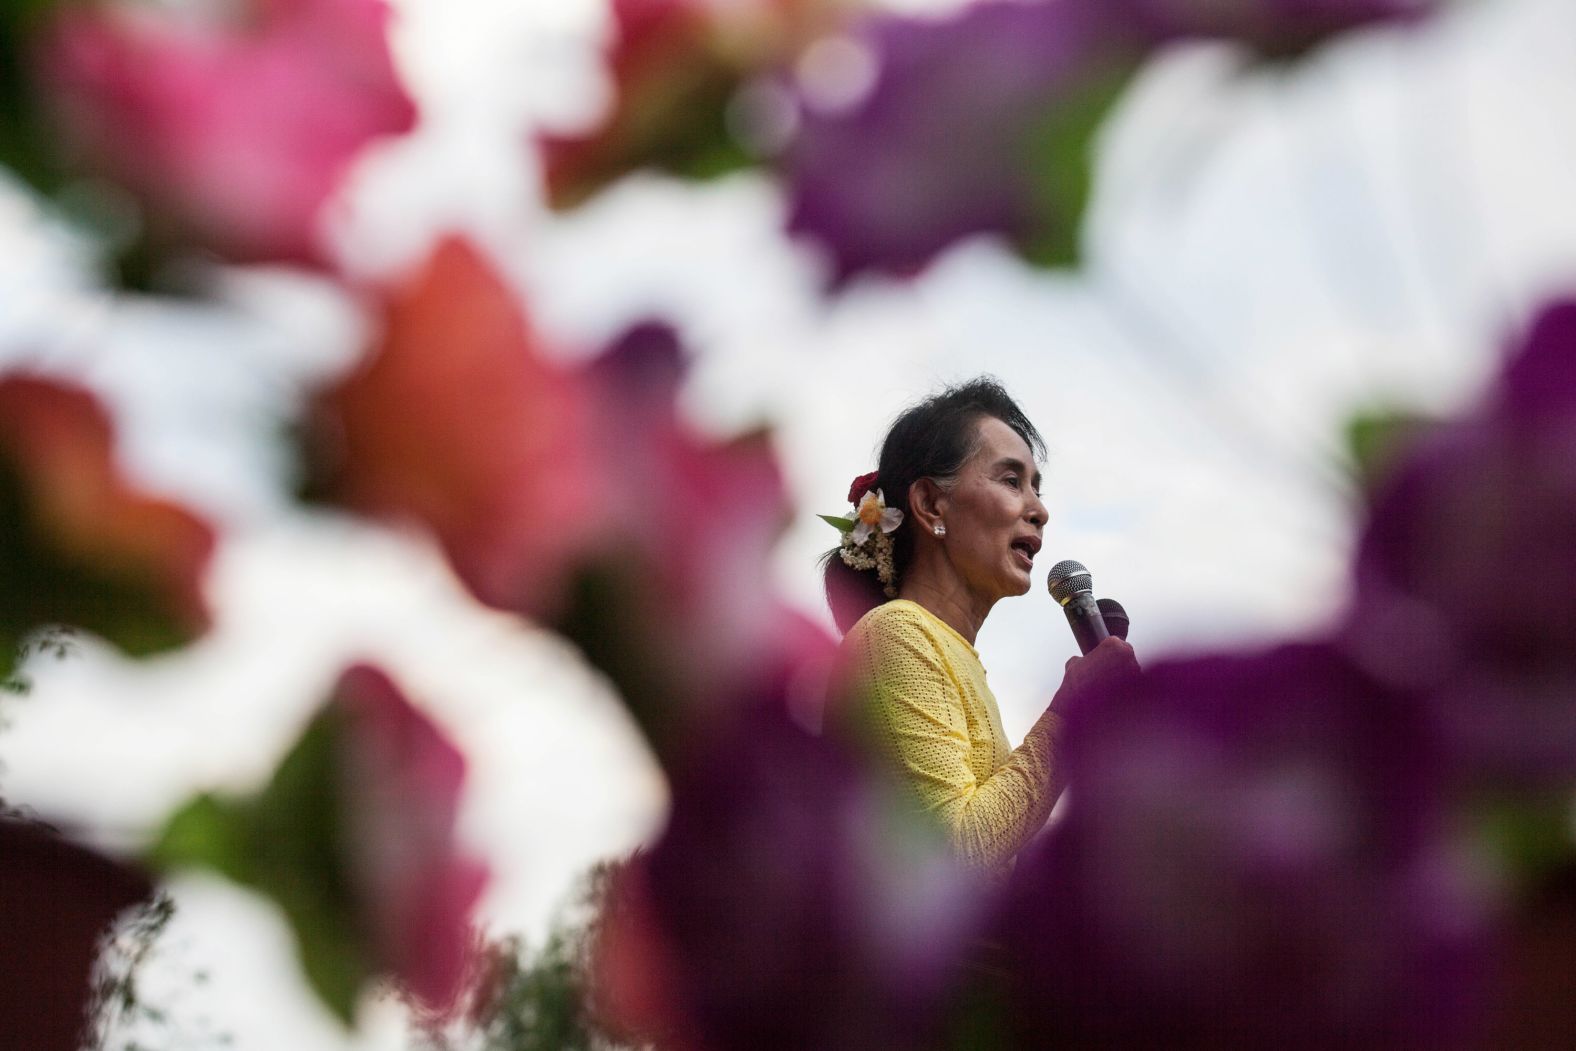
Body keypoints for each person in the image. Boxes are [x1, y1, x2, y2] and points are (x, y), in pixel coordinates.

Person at [824, 378, 1137, 873]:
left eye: (1036, 487)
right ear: (930, 505)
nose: (1039, 510)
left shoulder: (952, 653)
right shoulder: (897, 633)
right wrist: (1071, 710)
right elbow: (957, 852)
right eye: (1011, 481)